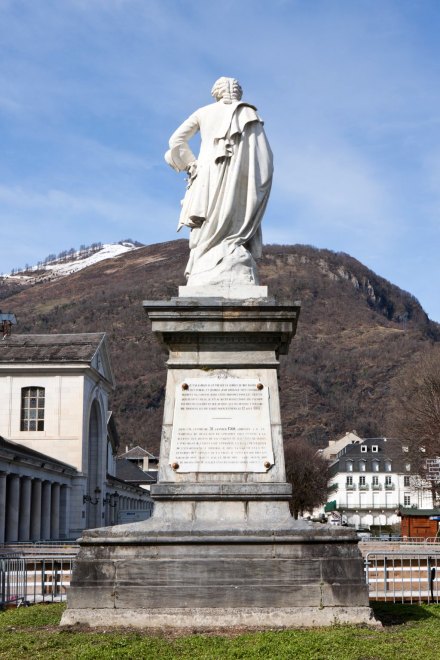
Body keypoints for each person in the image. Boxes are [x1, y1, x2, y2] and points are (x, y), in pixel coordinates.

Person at [165, 77, 273, 286]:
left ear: (216, 92)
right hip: (240, 177)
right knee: (234, 214)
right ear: (238, 92)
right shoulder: (248, 113)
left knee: (207, 220)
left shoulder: (203, 112)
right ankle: (227, 255)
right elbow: (264, 158)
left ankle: (205, 264)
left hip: (207, 173)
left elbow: (176, 141)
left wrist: (191, 165)